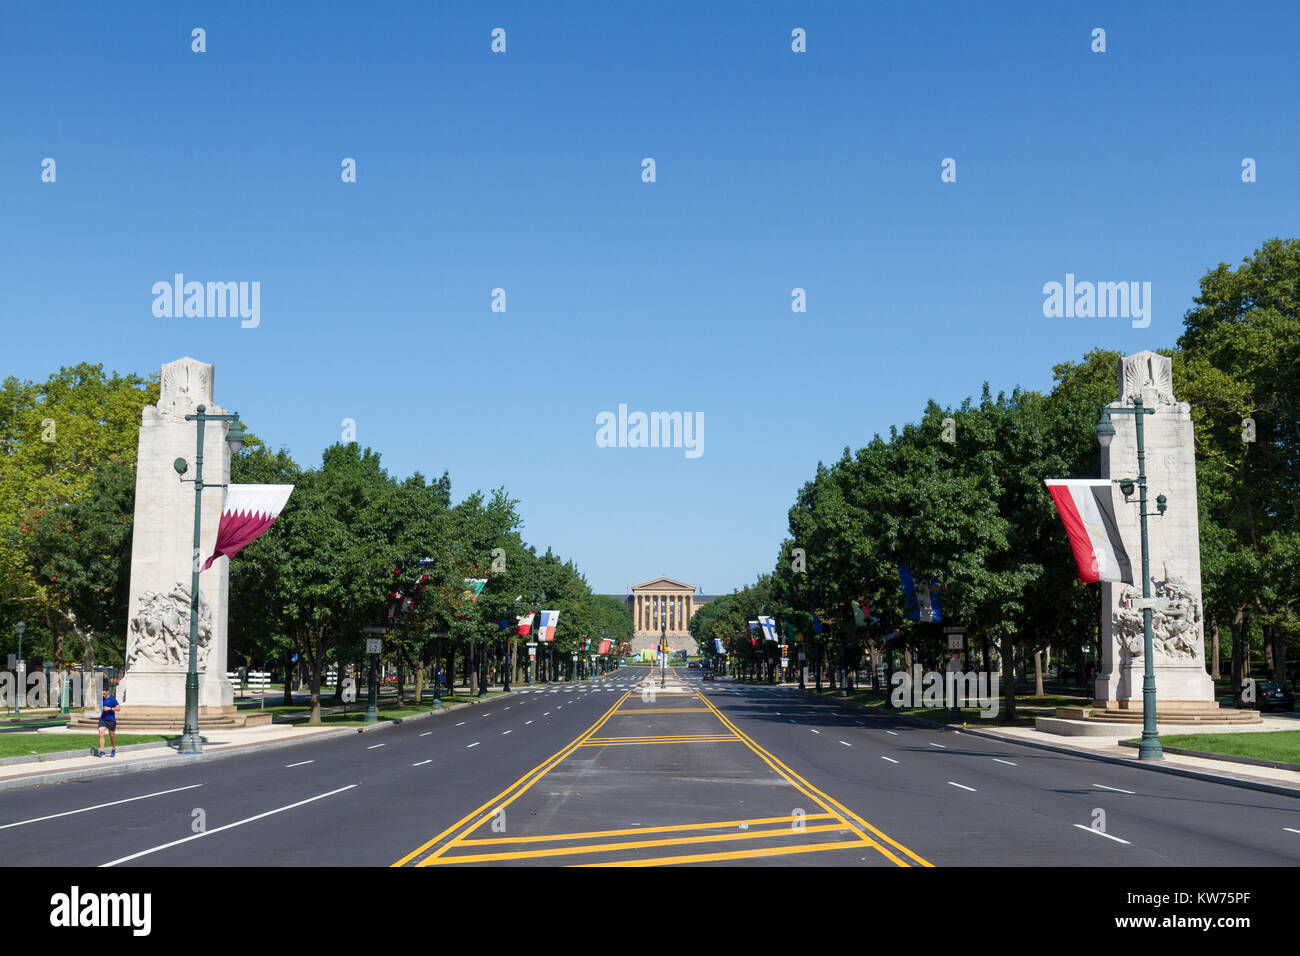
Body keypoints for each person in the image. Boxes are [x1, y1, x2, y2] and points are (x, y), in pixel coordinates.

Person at [97, 686, 120, 757]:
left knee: (112, 735)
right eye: (102, 693)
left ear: (108, 692)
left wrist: (110, 708)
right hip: (102, 719)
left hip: (111, 719)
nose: (102, 695)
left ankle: (113, 748)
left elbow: (119, 708)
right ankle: (102, 751)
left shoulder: (112, 699)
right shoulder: (101, 699)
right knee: (101, 733)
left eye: (104, 693)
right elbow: (100, 707)